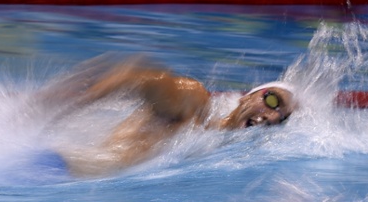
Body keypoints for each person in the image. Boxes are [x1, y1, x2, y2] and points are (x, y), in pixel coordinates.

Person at [40, 54, 301, 177]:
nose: (273, 116)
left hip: (68, 179)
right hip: (56, 167)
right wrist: (60, 112)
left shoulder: (217, 146)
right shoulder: (195, 104)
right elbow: (142, 77)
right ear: (246, 96)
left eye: (283, 116)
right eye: (272, 99)